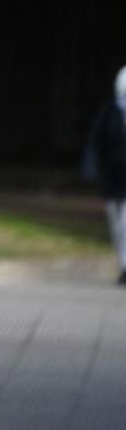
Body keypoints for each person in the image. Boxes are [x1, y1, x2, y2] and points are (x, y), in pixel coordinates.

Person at [85, 65, 126, 284]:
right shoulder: (109, 113)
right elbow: (95, 143)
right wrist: (91, 170)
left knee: (125, 222)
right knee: (115, 223)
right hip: (113, 178)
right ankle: (122, 263)